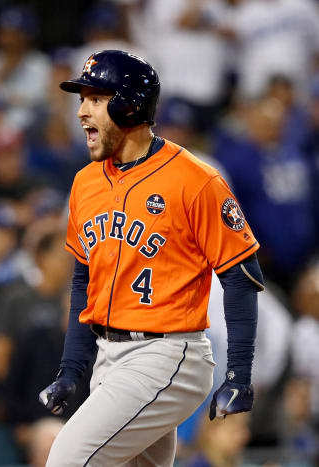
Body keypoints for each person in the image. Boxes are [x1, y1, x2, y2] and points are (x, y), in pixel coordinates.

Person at [37, 50, 264, 466]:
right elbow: (83, 284)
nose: (82, 112)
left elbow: (241, 275)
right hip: (109, 358)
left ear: (129, 105)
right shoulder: (85, 183)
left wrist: (239, 374)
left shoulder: (195, 180)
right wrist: (72, 367)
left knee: (66, 460)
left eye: (95, 99)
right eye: (81, 99)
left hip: (167, 355)